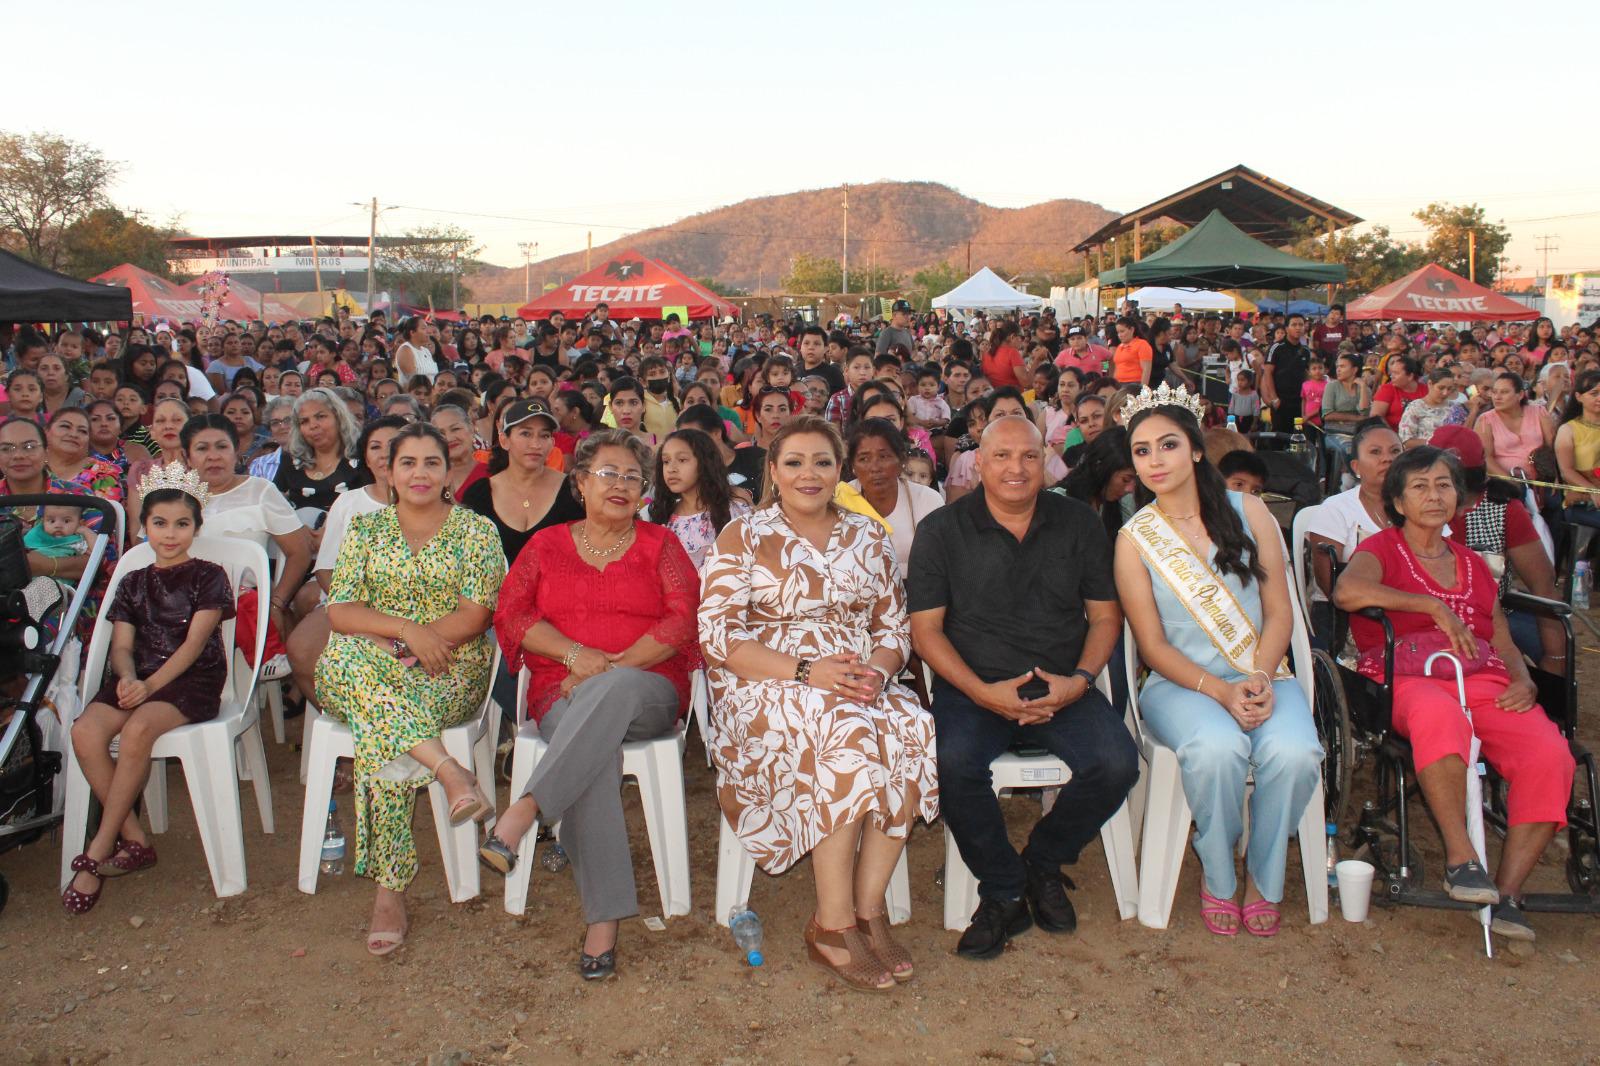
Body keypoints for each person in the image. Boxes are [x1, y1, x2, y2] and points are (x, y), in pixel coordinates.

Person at [700, 415, 938, 991]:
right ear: (773, 470)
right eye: (794, 462)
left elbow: (893, 627)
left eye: (822, 462)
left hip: (857, 676)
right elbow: (719, 636)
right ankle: (831, 924)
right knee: (845, 728)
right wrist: (810, 672)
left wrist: (879, 673)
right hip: (765, 681)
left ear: (839, 470)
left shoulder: (868, 534)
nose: (809, 474)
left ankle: (869, 909)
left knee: (912, 725)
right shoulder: (744, 535)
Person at [908, 414, 1137, 959]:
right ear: (978, 465)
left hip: (1062, 685)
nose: (1017, 468)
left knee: (1116, 764)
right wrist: (982, 693)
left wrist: (1078, 682)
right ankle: (1004, 887)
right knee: (949, 763)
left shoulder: (1078, 523)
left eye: (1029, 456)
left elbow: (1106, 618)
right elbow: (926, 631)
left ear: (1046, 463)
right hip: (974, 689)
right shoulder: (942, 530)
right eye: (1003, 456)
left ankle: (1043, 860)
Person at [482, 430, 700, 980]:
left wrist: (612, 669)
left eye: (632, 477)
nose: (621, 485)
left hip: (647, 687)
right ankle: (603, 918)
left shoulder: (660, 545)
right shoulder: (546, 545)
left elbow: (682, 619)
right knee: (594, 752)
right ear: (580, 482)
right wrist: (576, 655)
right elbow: (513, 615)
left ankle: (527, 808)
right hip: (562, 687)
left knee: (610, 694)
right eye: (608, 473)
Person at [1333, 447, 1575, 942]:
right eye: (1420, 487)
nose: (1434, 496)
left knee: (1550, 755)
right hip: (1410, 677)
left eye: (1443, 485)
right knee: (1440, 718)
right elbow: (1347, 593)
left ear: (1458, 497)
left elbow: (1500, 637)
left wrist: (1524, 679)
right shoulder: (1381, 549)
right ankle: (1461, 858)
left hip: (1483, 678)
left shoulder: (1472, 563)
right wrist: (1430, 606)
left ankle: (1508, 894)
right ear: (1398, 501)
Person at [1113, 386, 1322, 936]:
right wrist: (1221, 691)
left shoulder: (1249, 511)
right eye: (1141, 451)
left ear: (1196, 450)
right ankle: (1219, 871)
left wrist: (1258, 677)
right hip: (1181, 685)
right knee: (1216, 749)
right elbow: (1152, 647)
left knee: (1295, 752)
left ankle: (1265, 877)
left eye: (1168, 445)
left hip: (1262, 672)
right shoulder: (1134, 539)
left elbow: (1280, 612)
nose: (1155, 460)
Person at [315, 423, 506, 955]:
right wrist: (405, 632)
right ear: (389, 472)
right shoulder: (365, 530)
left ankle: (389, 890)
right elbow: (341, 611)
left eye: (431, 462)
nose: (419, 473)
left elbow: (475, 615)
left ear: (447, 473)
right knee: (356, 664)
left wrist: (415, 645)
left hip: (451, 670)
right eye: (408, 462)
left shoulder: (475, 531)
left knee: (384, 721)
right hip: (368, 664)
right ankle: (449, 771)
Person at [62, 466, 236, 914]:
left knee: (138, 729)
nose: (170, 533)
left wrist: (150, 686)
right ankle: (135, 838)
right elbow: (122, 646)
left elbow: (194, 644)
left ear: (197, 527)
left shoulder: (209, 575)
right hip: (138, 677)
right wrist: (127, 678)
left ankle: (99, 848)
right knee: (84, 732)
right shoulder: (132, 581)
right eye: (160, 523)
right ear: (145, 527)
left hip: (192, 679)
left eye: (182, 523)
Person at [1428, 425, 1564, 669]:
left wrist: (1556, 657)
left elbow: (1543, 585)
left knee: (1539, 660)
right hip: (1426, 619)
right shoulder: (1411, 508)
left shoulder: (1503, 509)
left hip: (1493, 618)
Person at [846, 418, 945, 580]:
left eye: (884, 457)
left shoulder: (928, 500)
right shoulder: (840, 501)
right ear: (853, 466)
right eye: (864, 459)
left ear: (901, 460)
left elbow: (941, 564)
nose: (875, 468)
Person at [648, 427, 748, 572]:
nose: (671, 469)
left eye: (682, 460)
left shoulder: (733, 507)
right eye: (666, 461)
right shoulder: (664, 516)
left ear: (704, 462)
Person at [273, 388, 367, 515]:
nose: (313, 425)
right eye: (304, 421)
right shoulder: (290, 461)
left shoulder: (363, 459)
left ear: (339, 417)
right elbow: (273, 503)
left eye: (320, 417)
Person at [1476, 372, 1554, 478]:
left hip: (1543, 479)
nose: (1497, 397)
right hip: (1504, 483)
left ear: (1520, 395)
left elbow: (1552, 447)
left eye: (1504, 392)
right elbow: (1486, 458)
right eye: (1494, 392)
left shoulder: (1539, 412)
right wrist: (1512, 482)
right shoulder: (1485, 420)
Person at [1554, 369, 1600, 532]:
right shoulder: (1568, 430)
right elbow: (1566, 471)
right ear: (1579, 397)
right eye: (1594, 393)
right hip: (1583, 503)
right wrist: (1592, 490)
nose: (1599, 398)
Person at [1260, 314, 1314, 425]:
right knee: (1280, 434)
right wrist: (1274, 398)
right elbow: (1267, 373)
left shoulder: (1305, 351)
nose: (1298, 328)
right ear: (1286, 329)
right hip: (1281, 401)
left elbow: (1307, 374)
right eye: (1294, 325)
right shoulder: (1276, 348)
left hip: (1299, 401)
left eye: (1301, 325)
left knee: (1298, 433)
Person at [1397, 369, 1466, 445]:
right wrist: (1434, 443)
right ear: (1430, 384)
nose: (1445, 393)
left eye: (1449, 389)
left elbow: (1464, 434)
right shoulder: (1415, 407)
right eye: (1441, 388)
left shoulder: (1455, 408)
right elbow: (1406, 441)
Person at [1369, 355, 1427, 432]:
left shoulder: (1426, 390)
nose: (1391, 376)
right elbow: (1376, 417)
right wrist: (1393, 435)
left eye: (1396, 373)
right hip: (1392, 434)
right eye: (1392, 373)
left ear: (1410, 376)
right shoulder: (1387, 389)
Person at [1112, 315, 1154, 386]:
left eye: (1122, 331)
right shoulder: (1119, 346)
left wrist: (1143, 389)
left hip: (1134, 384)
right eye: (1118, 332)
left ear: (1132, 329)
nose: (1119, 335)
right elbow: (1117, 367)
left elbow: (1146, 370)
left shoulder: (1142, 344)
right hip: (1118, 384)